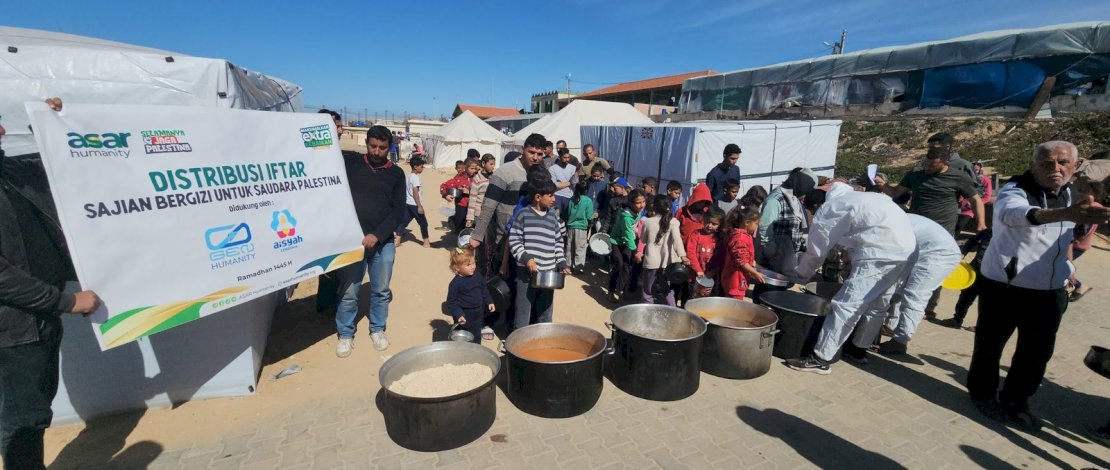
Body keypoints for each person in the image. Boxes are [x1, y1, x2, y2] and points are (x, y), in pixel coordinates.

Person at [966, 141, 1110, 430]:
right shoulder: (1015, 189)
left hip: (1051, 289)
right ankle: (982, 395)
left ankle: (1015, 401)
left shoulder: (1074, 191)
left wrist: (1068, 268)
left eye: (1063, 162)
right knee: (989, 346)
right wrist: (1066, 214)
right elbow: (1013, 214)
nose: (1055, 168)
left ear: (1075, 166)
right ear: (1033, 166)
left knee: (1036, 354)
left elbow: (1066, 235)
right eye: (1046, 163)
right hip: (1005, 285)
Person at [1, 99, 103, 469]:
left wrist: (52, 126)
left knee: (34, 414)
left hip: (39, 319)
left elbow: (59, 167)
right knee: (23, 422)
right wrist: (67, 302)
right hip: (15, 329)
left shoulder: (11, 172)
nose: (1, 131)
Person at [785, 183, 916, 374]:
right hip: (906, 251)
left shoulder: (832, 207)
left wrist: (802, 273)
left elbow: (817, 250)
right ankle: (857, 350)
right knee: (878, 304)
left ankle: (820, 359)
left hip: (879, 253)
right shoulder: (867, 198)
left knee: (845, 305)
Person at [336, 125, 407, 356]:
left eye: (382, 148)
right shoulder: (352, 164)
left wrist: (377, 235)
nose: (377, 151)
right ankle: (345, 333)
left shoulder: (397, 174)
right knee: (349, 291)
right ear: (366, 143)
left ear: (390, 148)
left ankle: (377, 329)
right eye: (373, 146)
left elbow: (398, 210)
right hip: (353, 241)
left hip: (382, 243)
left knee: (381, 290)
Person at [877, 214, 962, 354]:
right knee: (898, 288)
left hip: (938, 254)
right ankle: (890, 327)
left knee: (914, 296)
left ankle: (900, 342)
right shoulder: (886, 217)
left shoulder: (884, 224)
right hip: (924, 249)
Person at [469, 134, 547, 280]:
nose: (535, 157)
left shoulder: (543, 173)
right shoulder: (504, 172)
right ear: (523, 149)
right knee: (502, 284)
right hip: (505, 240)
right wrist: (477, 236)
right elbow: (488, 206)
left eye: (539, 154)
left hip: (533, 242)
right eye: (531, 152)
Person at [876, 146, 987, 236]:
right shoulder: (915, 174)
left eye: (932, 166)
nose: (926, 168)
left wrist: (981, 223)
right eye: (924, 164)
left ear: (946, 163)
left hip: (943, 231)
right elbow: (895, 192)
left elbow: (975, 200)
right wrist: (882, 184)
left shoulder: (959, 177)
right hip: (915, 228)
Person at [508, 178, 570, 330]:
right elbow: (514, 240)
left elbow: (558, 242)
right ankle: (520, 340)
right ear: (537, 197)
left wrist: (562, 263)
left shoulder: (553, 217)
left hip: (548, 272)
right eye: (551, 195)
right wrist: (527, 259)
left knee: (545, 311)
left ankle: (543, 338)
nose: (554, 199)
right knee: (523, 310)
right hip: (526, 272)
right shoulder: (523, 215)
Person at [315, 109, 360, 314]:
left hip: (341, 223)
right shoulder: (311, 157)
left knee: (339, 268)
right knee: (327, 269)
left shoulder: (343, 157)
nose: (341, 130)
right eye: (337, 126)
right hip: (322, 223)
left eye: (341, 126)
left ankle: (333, 305)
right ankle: (325, 308)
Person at [755, 168, 816, 301]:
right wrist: (770, 249)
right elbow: (765, 226)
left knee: (779, 292)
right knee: (767, 291)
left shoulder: (793, 199)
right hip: (773, 257)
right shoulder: (775, 200)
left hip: (785, 256)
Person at [637, 195, 689, 306]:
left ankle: (648, 313)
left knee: (647, 291)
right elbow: (677, 240)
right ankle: (673, 311)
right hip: (667, 263)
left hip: (651, 262)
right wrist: (683, 256)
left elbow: (643, 239)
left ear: (654, 207)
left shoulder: (648, 222)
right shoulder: (674, 222)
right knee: (666, 289)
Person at [937, 229, 991, 330]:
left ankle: (981, 326)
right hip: (975, 271)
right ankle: (957, 319)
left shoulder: (1009, 236)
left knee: (986, 302)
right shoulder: (988, 232)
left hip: (991, 275)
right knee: (965, 297)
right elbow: (972, 241)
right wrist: (963, 254)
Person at [445, 247, 495, 344]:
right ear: (457, 268)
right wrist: (458, 314)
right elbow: (451, 302)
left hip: (478, 312)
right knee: (463, 336)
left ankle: (477, 348)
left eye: (474, 263)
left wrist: (489, 301)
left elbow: (484, 289)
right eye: (468, 265)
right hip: (464, 315)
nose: (473, 266)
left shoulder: (477, 276)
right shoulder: (455, 284)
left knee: (476, 334)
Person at [609, 189, 646, 303]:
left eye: (643, 202)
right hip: (617, 242)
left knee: (627, 267)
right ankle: (611, 291)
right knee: (618, 265)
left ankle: (620, 290)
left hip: (628, 243)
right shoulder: (626, 217)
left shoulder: (638, 212)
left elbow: (635, 231)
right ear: (631, 203)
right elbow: (628, 235)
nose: (642, 205)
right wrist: (636, 252)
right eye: (638, 202)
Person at [721, 206, 764, 300]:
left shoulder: (745, 236)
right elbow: (741, 261)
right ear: (747, 222)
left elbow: (745, 256)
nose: (757, 226)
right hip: (735, 280)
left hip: (740, 278)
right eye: (756, 223)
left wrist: (758, 266)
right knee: (734, 304)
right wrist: (754, 273)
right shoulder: (740, 238)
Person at [395, 156, 431, 248]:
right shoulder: (415, 178)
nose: (422, 168)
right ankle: (426, 242)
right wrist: (419, 206)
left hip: (408, 204)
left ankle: (397, 240)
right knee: (423, 224)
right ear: (415, 167)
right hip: (415, 205)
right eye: (421, 166)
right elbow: (415, 192)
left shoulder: (409, 176)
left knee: (404, 222)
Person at [686, 206, 725, 288]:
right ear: (704, 219)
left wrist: (713, 271)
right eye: (708, 221)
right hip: (695, 274)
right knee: (694, 293)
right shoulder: (695, 235)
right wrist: (698, 270)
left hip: (711, 276)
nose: (709, 226)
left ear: (720, 225)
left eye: (714, 224)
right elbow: (690, 253)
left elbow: (721, 257)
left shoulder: (719, 239)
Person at [564, 181, 595, 274]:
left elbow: (568, 213)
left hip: (570, 226)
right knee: (580, 248)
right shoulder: (588, 201)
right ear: (586, 190)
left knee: (569, 247)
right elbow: (589, 216)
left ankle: (568, 266)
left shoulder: (571, 199)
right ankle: (578, 267)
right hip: (581, 228)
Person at [442, 154, 478, 233]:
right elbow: (444, 186)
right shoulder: (459, 179)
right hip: (461, 205)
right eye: (471, 168)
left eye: (475, 168)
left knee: (472, 224)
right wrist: (445, 195)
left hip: (474, 205)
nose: (474, 170)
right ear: (465, 167)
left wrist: (469, 192)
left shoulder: (478, 178)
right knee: (459, 222)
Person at [958, 162, 994, 231]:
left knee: (959, 225)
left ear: (981, 169)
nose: (975, 171)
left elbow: (987, 197)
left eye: (977, 169)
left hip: (969, 208)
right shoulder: (965, 178)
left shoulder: (985, 180)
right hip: (958, 207)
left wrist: (975, 203)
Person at [465, 154, 497, 229]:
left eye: (494, 164)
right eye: (491, 164)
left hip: (492, 213)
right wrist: (469, 218)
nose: (493, 167)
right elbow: (472, 200)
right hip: (479, 214)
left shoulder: (495, 177)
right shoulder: (477, 179)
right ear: (483, 163)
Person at [549, 148, 578, 214]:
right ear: (559, 157)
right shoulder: (552, 169)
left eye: (568, 157)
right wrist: (570, 183)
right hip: (557, 196)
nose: (567, 159)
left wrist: (562, 184)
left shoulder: (573, 168)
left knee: (568, 218)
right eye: (564, 157)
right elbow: (555, 185)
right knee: (556, 217)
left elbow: (575, 182)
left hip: (570, 196)